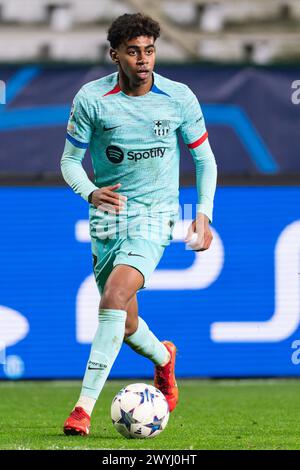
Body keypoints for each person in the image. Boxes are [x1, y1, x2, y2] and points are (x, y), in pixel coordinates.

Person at [61, 12, 217, 436]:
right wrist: (91, 192)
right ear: (115, 55)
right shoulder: (92, 100)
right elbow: (69, 162)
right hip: (107, 221)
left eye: (149, 50)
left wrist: (203, 214)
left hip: (155, 217)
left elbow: (204, 158)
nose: (143, 59)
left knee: (113, 296)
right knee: (126, 323)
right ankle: (165, 359)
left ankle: (82, 408)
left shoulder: (178, 96)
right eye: (133, 51)